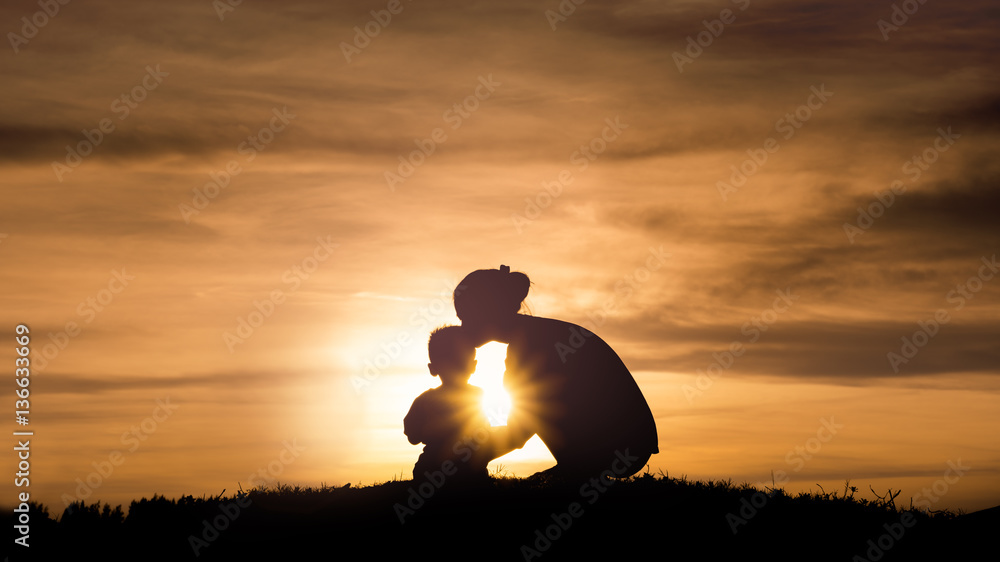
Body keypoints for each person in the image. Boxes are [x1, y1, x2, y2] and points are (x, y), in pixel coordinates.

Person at [454, 265, 658, 480]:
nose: (462, 327)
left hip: (623, 447)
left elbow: (522, 428)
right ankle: (574, 470)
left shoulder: (532, 346)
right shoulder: (537, 335)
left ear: (489, 313)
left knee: (537, 407)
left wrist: (467, 458)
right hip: (630, 443)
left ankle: (577, 471)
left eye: (466, 318)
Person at [403, 325, 498, 484]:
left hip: (435, 470)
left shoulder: (426, 400)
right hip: (459, 470)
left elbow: (412, 435)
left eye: (459, 363)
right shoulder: (477, 396)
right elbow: (486, 435)